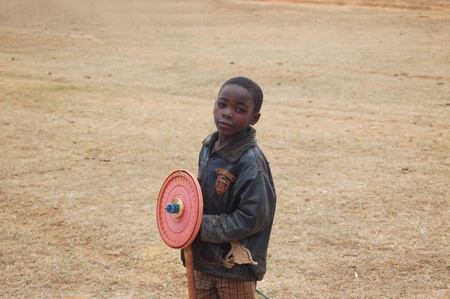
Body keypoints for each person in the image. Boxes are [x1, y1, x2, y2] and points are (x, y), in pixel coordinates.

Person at [183, 76, 277, 298]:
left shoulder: (251, 164)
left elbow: (252, 218)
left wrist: (199, 226)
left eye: (239, 109)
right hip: (202, 260)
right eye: (222, 104)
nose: (227, 112)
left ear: (254, 118)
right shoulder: (208, 146)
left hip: (234, 267)